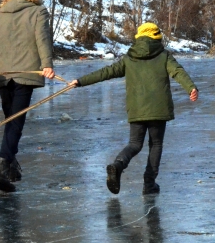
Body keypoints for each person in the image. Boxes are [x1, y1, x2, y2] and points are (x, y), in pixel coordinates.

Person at [69, 23, 198, 195]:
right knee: (156, 144)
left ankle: (117, 165)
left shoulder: (129, 58)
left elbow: (106, 72)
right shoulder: (164, 56)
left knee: (135, 144)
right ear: (157, 37)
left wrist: (80, 81)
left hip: (137, 109)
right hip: (158, 109)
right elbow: (178, 72)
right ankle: (149, 184)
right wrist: (191, 88)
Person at [0, 0, 56, 193]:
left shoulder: (1, 14)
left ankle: (11, 167)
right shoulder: (38, 11)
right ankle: (1, 167)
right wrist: (47, 65)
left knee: (10, 120)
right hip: (24, 74)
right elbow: (42, 39)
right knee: (16, 122)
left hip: (2, 74)